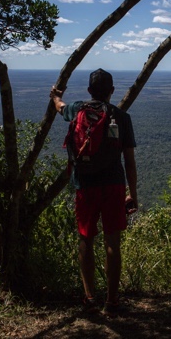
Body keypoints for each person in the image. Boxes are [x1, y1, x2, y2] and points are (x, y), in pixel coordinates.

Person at [50, 69, 138, 317]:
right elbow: (129, 161)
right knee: (112, 242)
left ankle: (89, 297)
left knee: (85, 239)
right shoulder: (121, 117)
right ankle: (111, 300)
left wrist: (55, 97)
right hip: (114, 186)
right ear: (112, 90)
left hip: (85, 185)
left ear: (89, 91)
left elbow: (60, 107)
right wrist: (133, 193)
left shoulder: (77, 109)